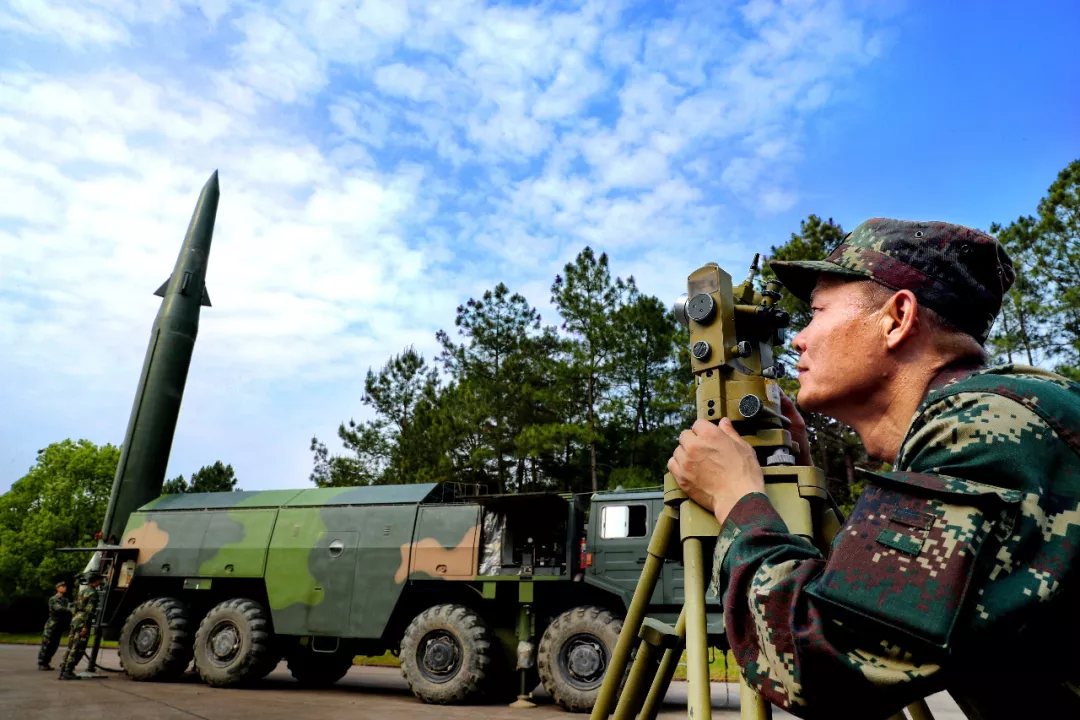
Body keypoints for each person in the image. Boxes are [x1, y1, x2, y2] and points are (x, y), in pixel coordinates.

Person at [668, 218, 1080, 720]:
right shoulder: (998, 415)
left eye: (817, 312)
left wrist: (738, 501)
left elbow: (823, 658)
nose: (798, 340)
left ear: (896, 317)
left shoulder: (986, 429)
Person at [58, 572, 104, 680]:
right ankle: (68, 671)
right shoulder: (93, 594)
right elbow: (89, 611)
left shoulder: (82, 591)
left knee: (70, 645)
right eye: (99, 580)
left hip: (75, 619)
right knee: (78, 647)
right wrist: (86, 627)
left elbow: (76, 606)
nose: (100, 582)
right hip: (83, 620)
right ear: (95, 581)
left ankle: (63, 669)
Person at [36, 581, 71, 670]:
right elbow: (58, 608)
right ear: (58, 588)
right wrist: (69, 610)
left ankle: (47, 662)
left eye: (65, 586)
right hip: (52, 624)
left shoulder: (65, 600)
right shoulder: (53, 599)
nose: (64, 588)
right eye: (62, 586)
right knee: (46, 644)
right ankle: (41, 662)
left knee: (54, 645)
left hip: (59, 625)